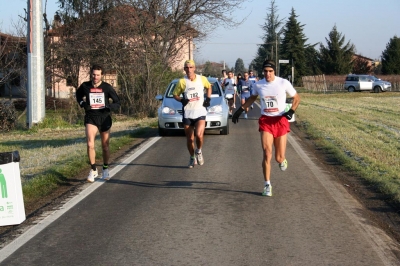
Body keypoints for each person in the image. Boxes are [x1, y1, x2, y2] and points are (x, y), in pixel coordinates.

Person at [232, 60, 300, 197]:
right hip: (266, 121)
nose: (268, 74)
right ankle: (267, 185)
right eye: (265, 71)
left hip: (280, 120)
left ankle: (282, 159)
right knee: (267, 153)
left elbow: (297, 98)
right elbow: (252, 98)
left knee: (278, 158)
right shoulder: (259, 84)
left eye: (270, 71)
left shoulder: (283, 83)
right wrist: (240, 110)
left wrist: (291, 111)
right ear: (262, 72)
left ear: (274, 71)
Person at [76, 65, 121, 182]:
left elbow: (117, 102)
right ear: (91, 74)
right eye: (93, 74)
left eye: (97, 75)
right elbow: (78, 95)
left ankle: (105, 168)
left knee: (105, 146)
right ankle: (93, 169)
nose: (95, 77)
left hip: (104, 118)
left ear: (102, 75)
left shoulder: (107, 87)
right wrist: (83, 103)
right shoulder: (85, 86)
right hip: (91, 117)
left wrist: (108, 106)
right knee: (90, 144)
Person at [173, 60, 212, 168]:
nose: (189, 70)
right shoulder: (182, 81)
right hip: (188, 112)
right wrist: (181, 100)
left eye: (191, 67)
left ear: (194, 68)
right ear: (184, 69)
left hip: (200, 111)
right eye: (186, 68)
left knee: (199, 136)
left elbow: (209, 87)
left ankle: (199, 151)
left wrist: (208, 99)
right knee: (190, 139)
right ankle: (192, 157)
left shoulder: (202, 79)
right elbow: (175, 94)